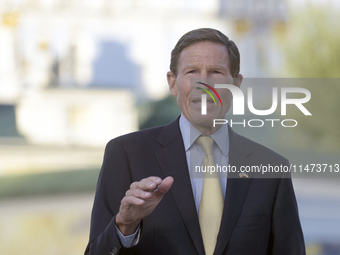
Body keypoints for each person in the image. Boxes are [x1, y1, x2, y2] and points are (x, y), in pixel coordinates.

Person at [85, 28, 305, 255]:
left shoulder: (271, 169)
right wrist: (124, 225)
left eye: (216, 72)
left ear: (236, 84)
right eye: (192, 71)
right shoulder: (126, 154)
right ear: (173, 83)